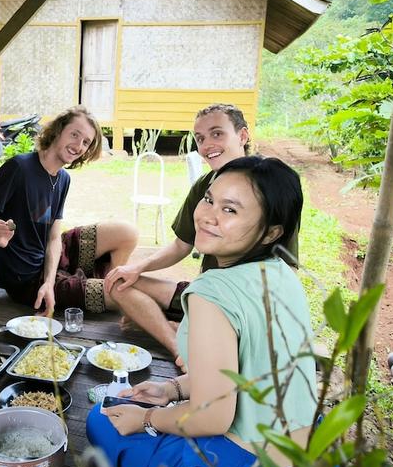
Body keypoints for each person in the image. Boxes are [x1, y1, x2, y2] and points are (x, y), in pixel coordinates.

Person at [87, 156, 316, 467]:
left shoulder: (212, 293)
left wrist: (145, 420)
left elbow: (213, 418)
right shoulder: (282, 274)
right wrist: (172, 389)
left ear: (271, 232)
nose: (207, 215)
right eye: (208, 199)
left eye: (230, 210)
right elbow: (250, 370)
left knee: (102, 420)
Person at [104, 104, 298, 359]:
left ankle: (186, 335)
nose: (207, 145)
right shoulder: (205, 184)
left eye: (217, 134)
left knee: (144, 319)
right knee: (119, 283)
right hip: (201, 292)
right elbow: (182, 245)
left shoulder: (272, 187)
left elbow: (288, 270)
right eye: (200, 138)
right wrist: (136, 268)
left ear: (242, 136)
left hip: (239, 308)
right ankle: (178, 343)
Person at [0, 105, 138, 315]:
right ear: (58, 131)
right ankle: (106, 293)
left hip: (51, 259)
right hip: (27, 280)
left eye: (86, 142)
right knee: (122, 295)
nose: (79, 145)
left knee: (127, 233)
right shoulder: (18, 169)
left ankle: (105, 284)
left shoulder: (63, 178)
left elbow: (54, 238)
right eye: (74, 134)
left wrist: (50, 281)